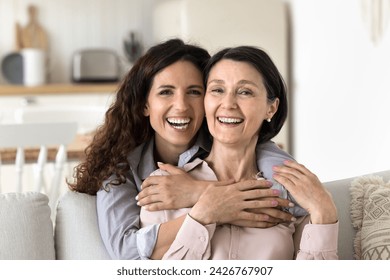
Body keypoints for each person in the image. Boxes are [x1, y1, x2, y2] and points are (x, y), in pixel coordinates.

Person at [69, 39, 303, 260]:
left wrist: (196, 191)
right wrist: (213, 208)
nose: (181, 106)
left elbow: (296, 202)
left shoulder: (233, 140)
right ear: (144, 104)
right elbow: (127, 251)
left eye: (194, 92)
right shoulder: (120, 169)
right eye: (166, 92)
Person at [140, 46, 339, 260]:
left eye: (245, 92)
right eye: (217, 90)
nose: (228, 104)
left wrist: (324, 213)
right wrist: (203, 214)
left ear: (271, 108)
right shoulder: (163, 186)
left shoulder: (291, 194)